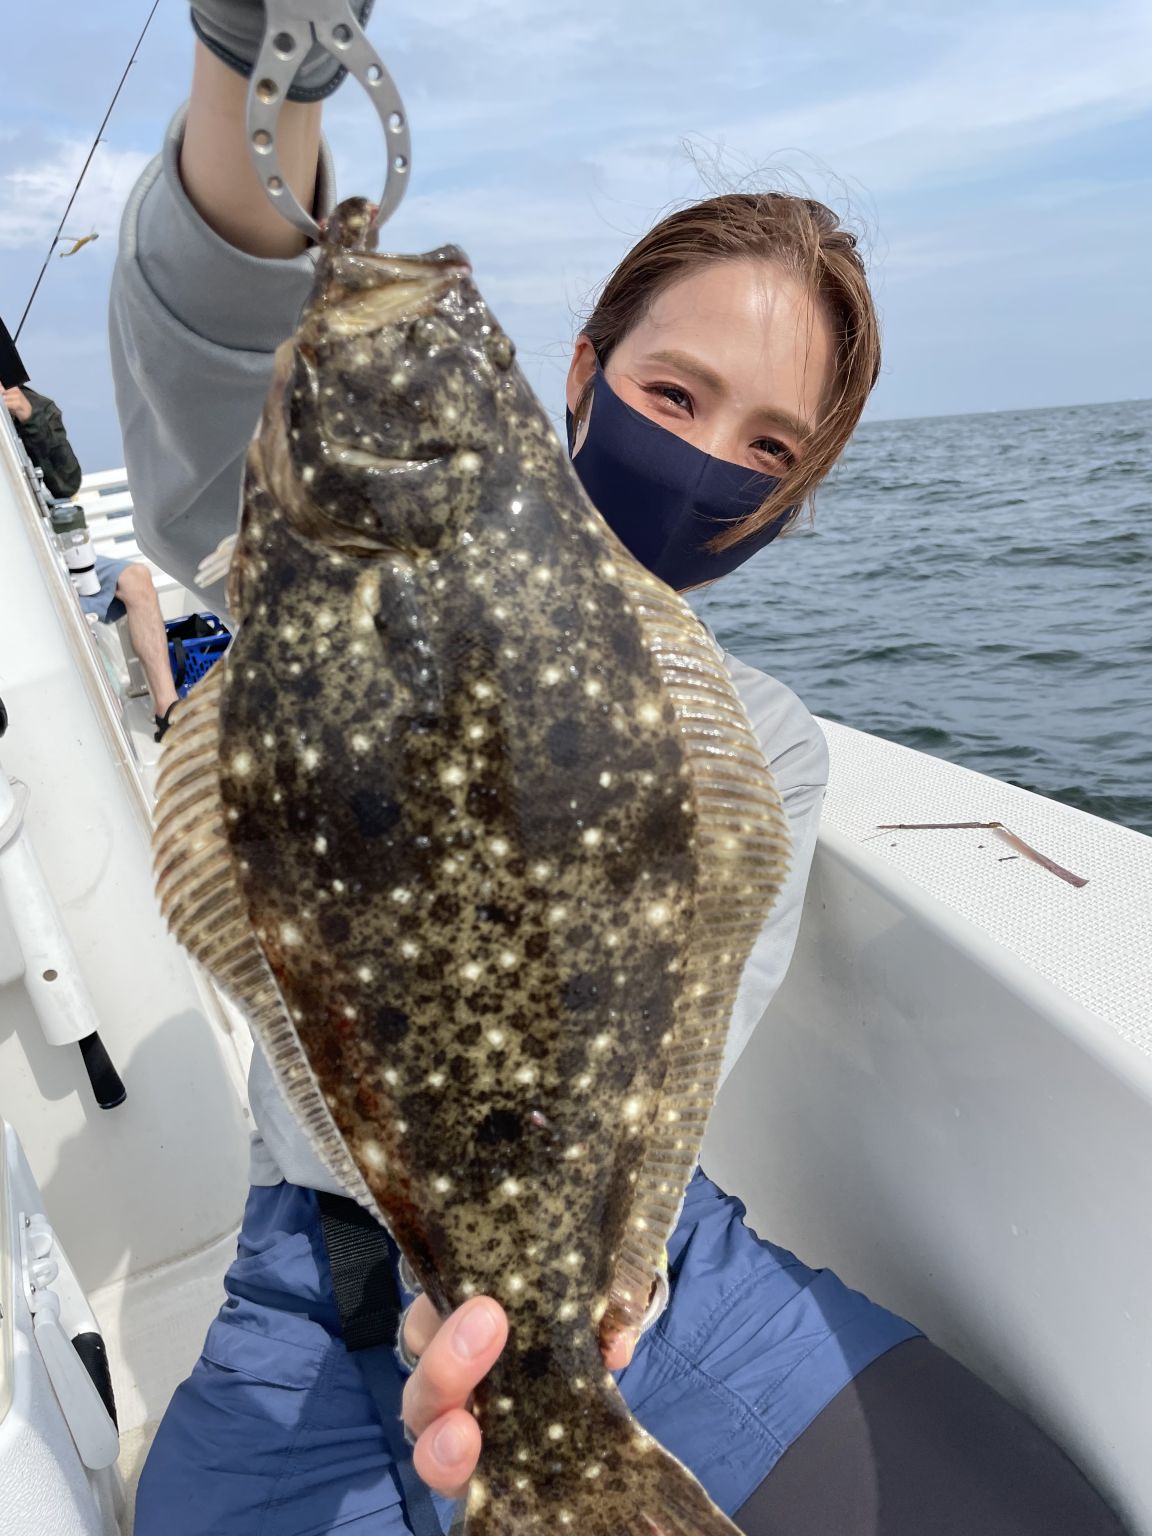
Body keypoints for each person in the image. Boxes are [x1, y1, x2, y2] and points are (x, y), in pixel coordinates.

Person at [110, 13, 1127, 1536]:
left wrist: (594, 1308)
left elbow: (662, 1079)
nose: (712, 455)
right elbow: (220, 301)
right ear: (573, 376)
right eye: (676, 395)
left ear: (791, 499)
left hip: (632, 1259)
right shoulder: (303, 559)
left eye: (769, 445)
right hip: (317, 1283)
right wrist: (268, 61)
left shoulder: (761, 738)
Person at [1, 356, 180, 739]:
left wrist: (27, 418)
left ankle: (167, 709)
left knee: (136, 578)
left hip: (53, 552)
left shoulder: (37, 406)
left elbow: (66, 482)